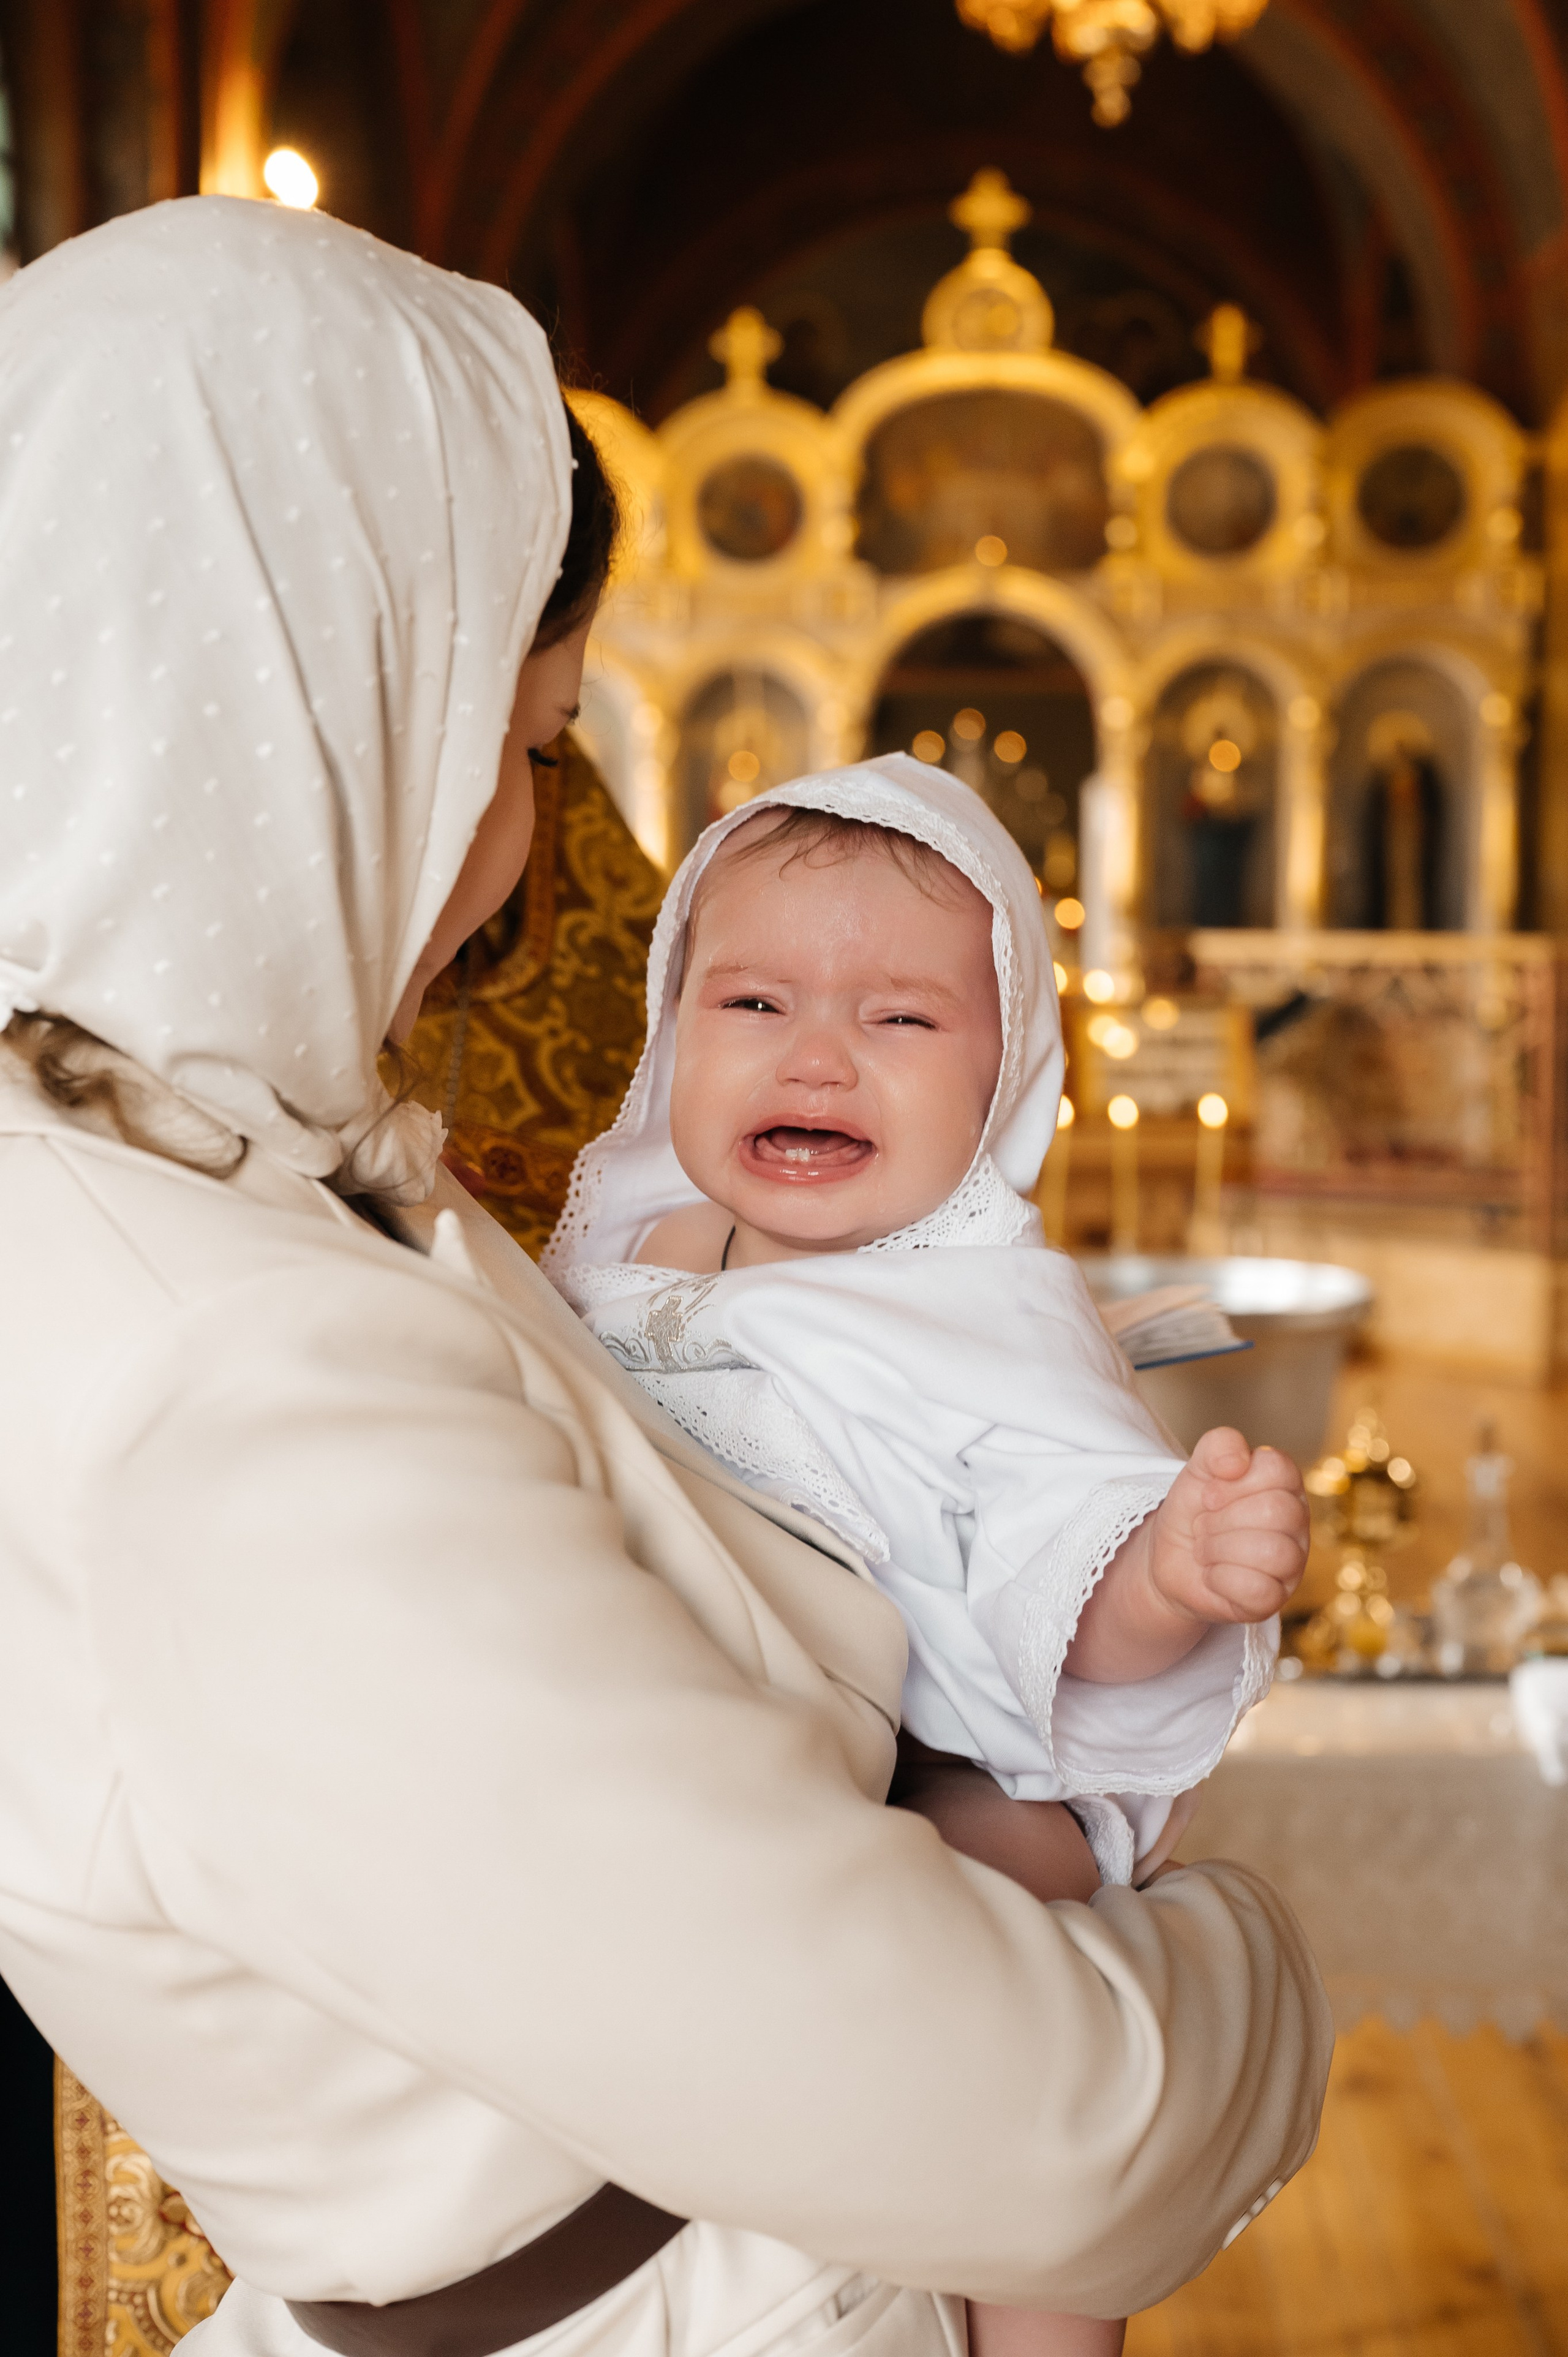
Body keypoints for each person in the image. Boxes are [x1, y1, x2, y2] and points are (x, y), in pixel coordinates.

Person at [0, 196, 1330, 2357]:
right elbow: (1025, 2126)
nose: (536, 858)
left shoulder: (178, 1187)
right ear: (295, 703)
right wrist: (1259, 1960)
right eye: (521, 748)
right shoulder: (216, 1364)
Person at [546, 760, 1311, 2357]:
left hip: (953, 1762)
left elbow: (1056, 1556)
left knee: (1016, 2007)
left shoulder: (987, 1311)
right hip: (703, 1739)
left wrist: (1163, 1572)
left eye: (899, 1022)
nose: (818, 1052)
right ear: (668, 1030)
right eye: (753, 1000)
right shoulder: (612, 1264)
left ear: (1001, 1078)